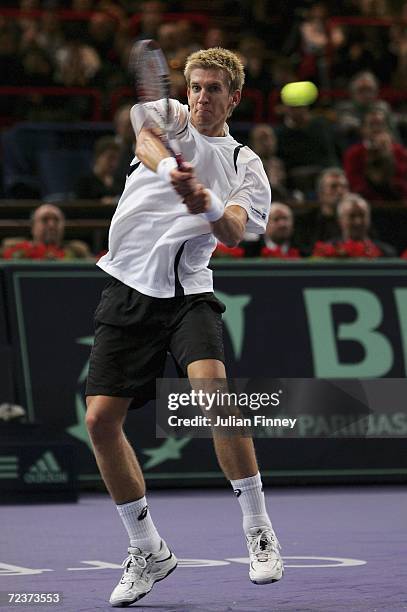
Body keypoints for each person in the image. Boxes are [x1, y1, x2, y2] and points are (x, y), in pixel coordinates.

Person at [85, 47, 283, 608]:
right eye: (195, 86)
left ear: (234, 97)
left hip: (186, 294)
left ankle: (258, 531)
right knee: (100, 422)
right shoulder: (169, 117)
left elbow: (237, 230)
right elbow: (143, 138)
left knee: (213, 395)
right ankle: (147, 549)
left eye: (213, 88)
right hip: (125, 287)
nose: (200, 96)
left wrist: (210, 204)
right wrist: (175, 171)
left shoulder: (245, 162)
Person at [343, 109, 407, 203]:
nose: (376, 128)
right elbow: (354, 184)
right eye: (372, 124)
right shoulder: (353, 153)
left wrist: (388, 155)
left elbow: (403, 182)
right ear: (363, 129)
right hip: (366, 203)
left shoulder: (399, 151)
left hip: (396, 204)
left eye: (380, 124)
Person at [312, 193, 396, 258]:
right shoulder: (327, 251)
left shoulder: (386, 253)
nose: (358, 222)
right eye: (351, 216)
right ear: (340, 220)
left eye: (362, 215)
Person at [1, 204, 93, 259]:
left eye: (56, 220)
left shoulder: (78, 252)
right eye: (45, 220)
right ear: (33, 227)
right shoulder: (18, 252)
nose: (51, 225)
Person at [296, 167, 349, 254]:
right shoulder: (305, 222)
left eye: (344, 187)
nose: (340, 191)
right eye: (333, 186)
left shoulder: (355, 221)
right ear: (320, 192)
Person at [75, 136, 121, 204]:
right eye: (110, 158)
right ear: (98, 156)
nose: (113, 163)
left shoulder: (119, 182)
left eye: (116, 159)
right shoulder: (84, 182)